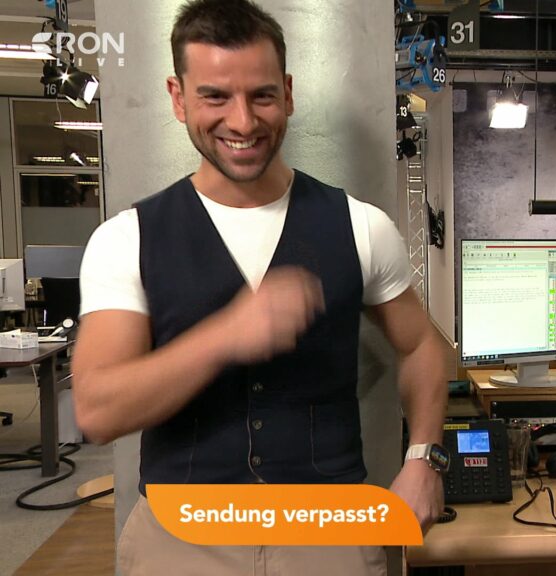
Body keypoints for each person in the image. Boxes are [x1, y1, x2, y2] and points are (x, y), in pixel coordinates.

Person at [71, 1, 447, 574]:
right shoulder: (126, 239)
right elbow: (98, 411)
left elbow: (421, 345)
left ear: (288, 94)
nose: (243, 122)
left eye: (262, 96)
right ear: (178, 98)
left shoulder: (361, 226)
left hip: (329, 531)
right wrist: (226, 336)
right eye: (215, 96)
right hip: (182, 536)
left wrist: (423, 458)